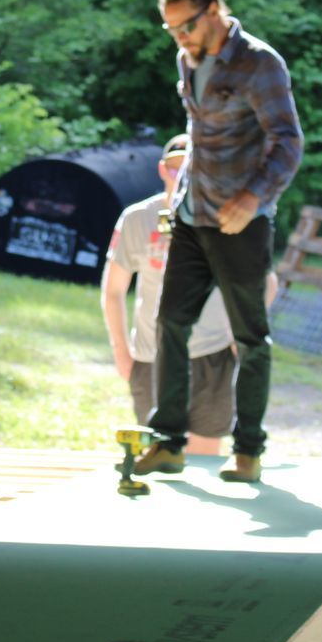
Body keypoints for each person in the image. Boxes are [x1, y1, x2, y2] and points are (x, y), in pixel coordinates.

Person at [134, 0, 303, 484]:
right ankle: (168, 442)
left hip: (241, 223)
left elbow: (288, 142)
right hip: (191, 215)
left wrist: (253, 198)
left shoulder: (259, 64)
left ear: (213, 11)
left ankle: (248, 450)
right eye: (171, 31)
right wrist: (182, 197)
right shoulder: (187, 60)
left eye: (186, 26)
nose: (180, 38)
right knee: (170, 325)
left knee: (250, 337)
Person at [103, 134, 238, 456]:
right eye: (177, 170)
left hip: (211, 352)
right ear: (163, 171)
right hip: (153, 355)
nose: (183, 178)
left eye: (192, 169)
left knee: (204, 459)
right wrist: (122, 352)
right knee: (158, 454)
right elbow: (113, 291)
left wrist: (239, 336)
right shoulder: (138, 218)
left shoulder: (225, 217)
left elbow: (265, 283)